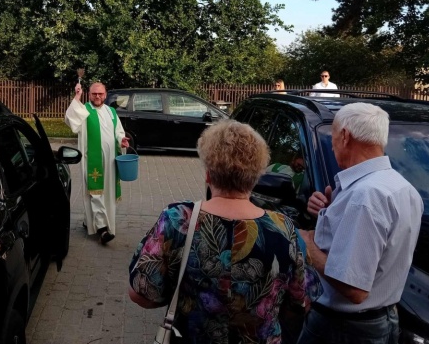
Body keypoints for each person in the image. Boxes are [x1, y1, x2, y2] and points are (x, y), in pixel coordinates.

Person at [128, 119, 321, 344]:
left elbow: (141, 294)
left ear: (208, 174)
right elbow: (302, 302)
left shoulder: (177, 220)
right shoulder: (284, 229)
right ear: (256, 177)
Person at [298, 102, 423, 344]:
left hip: (343, 328)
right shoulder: (402, 187)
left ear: (345, 136)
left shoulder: (364, 196)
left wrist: (306, 244)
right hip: (380, 319)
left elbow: (354, 289)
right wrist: (333, 213)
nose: (332, 145)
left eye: (333, 137)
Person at [65, 81, 129, 245]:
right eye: (94, 93)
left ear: (105, 95)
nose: (97, 96)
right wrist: (77, 96)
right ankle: (102, 229)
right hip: (92, 161)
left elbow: (118, 132)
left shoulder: (111, 112)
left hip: (110, 161)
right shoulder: (84, 110)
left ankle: (89, 221)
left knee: (107, 192)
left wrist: (121, 140)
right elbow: (70, 119)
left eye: (100, 94)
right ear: (89, 94)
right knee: (95, 192)